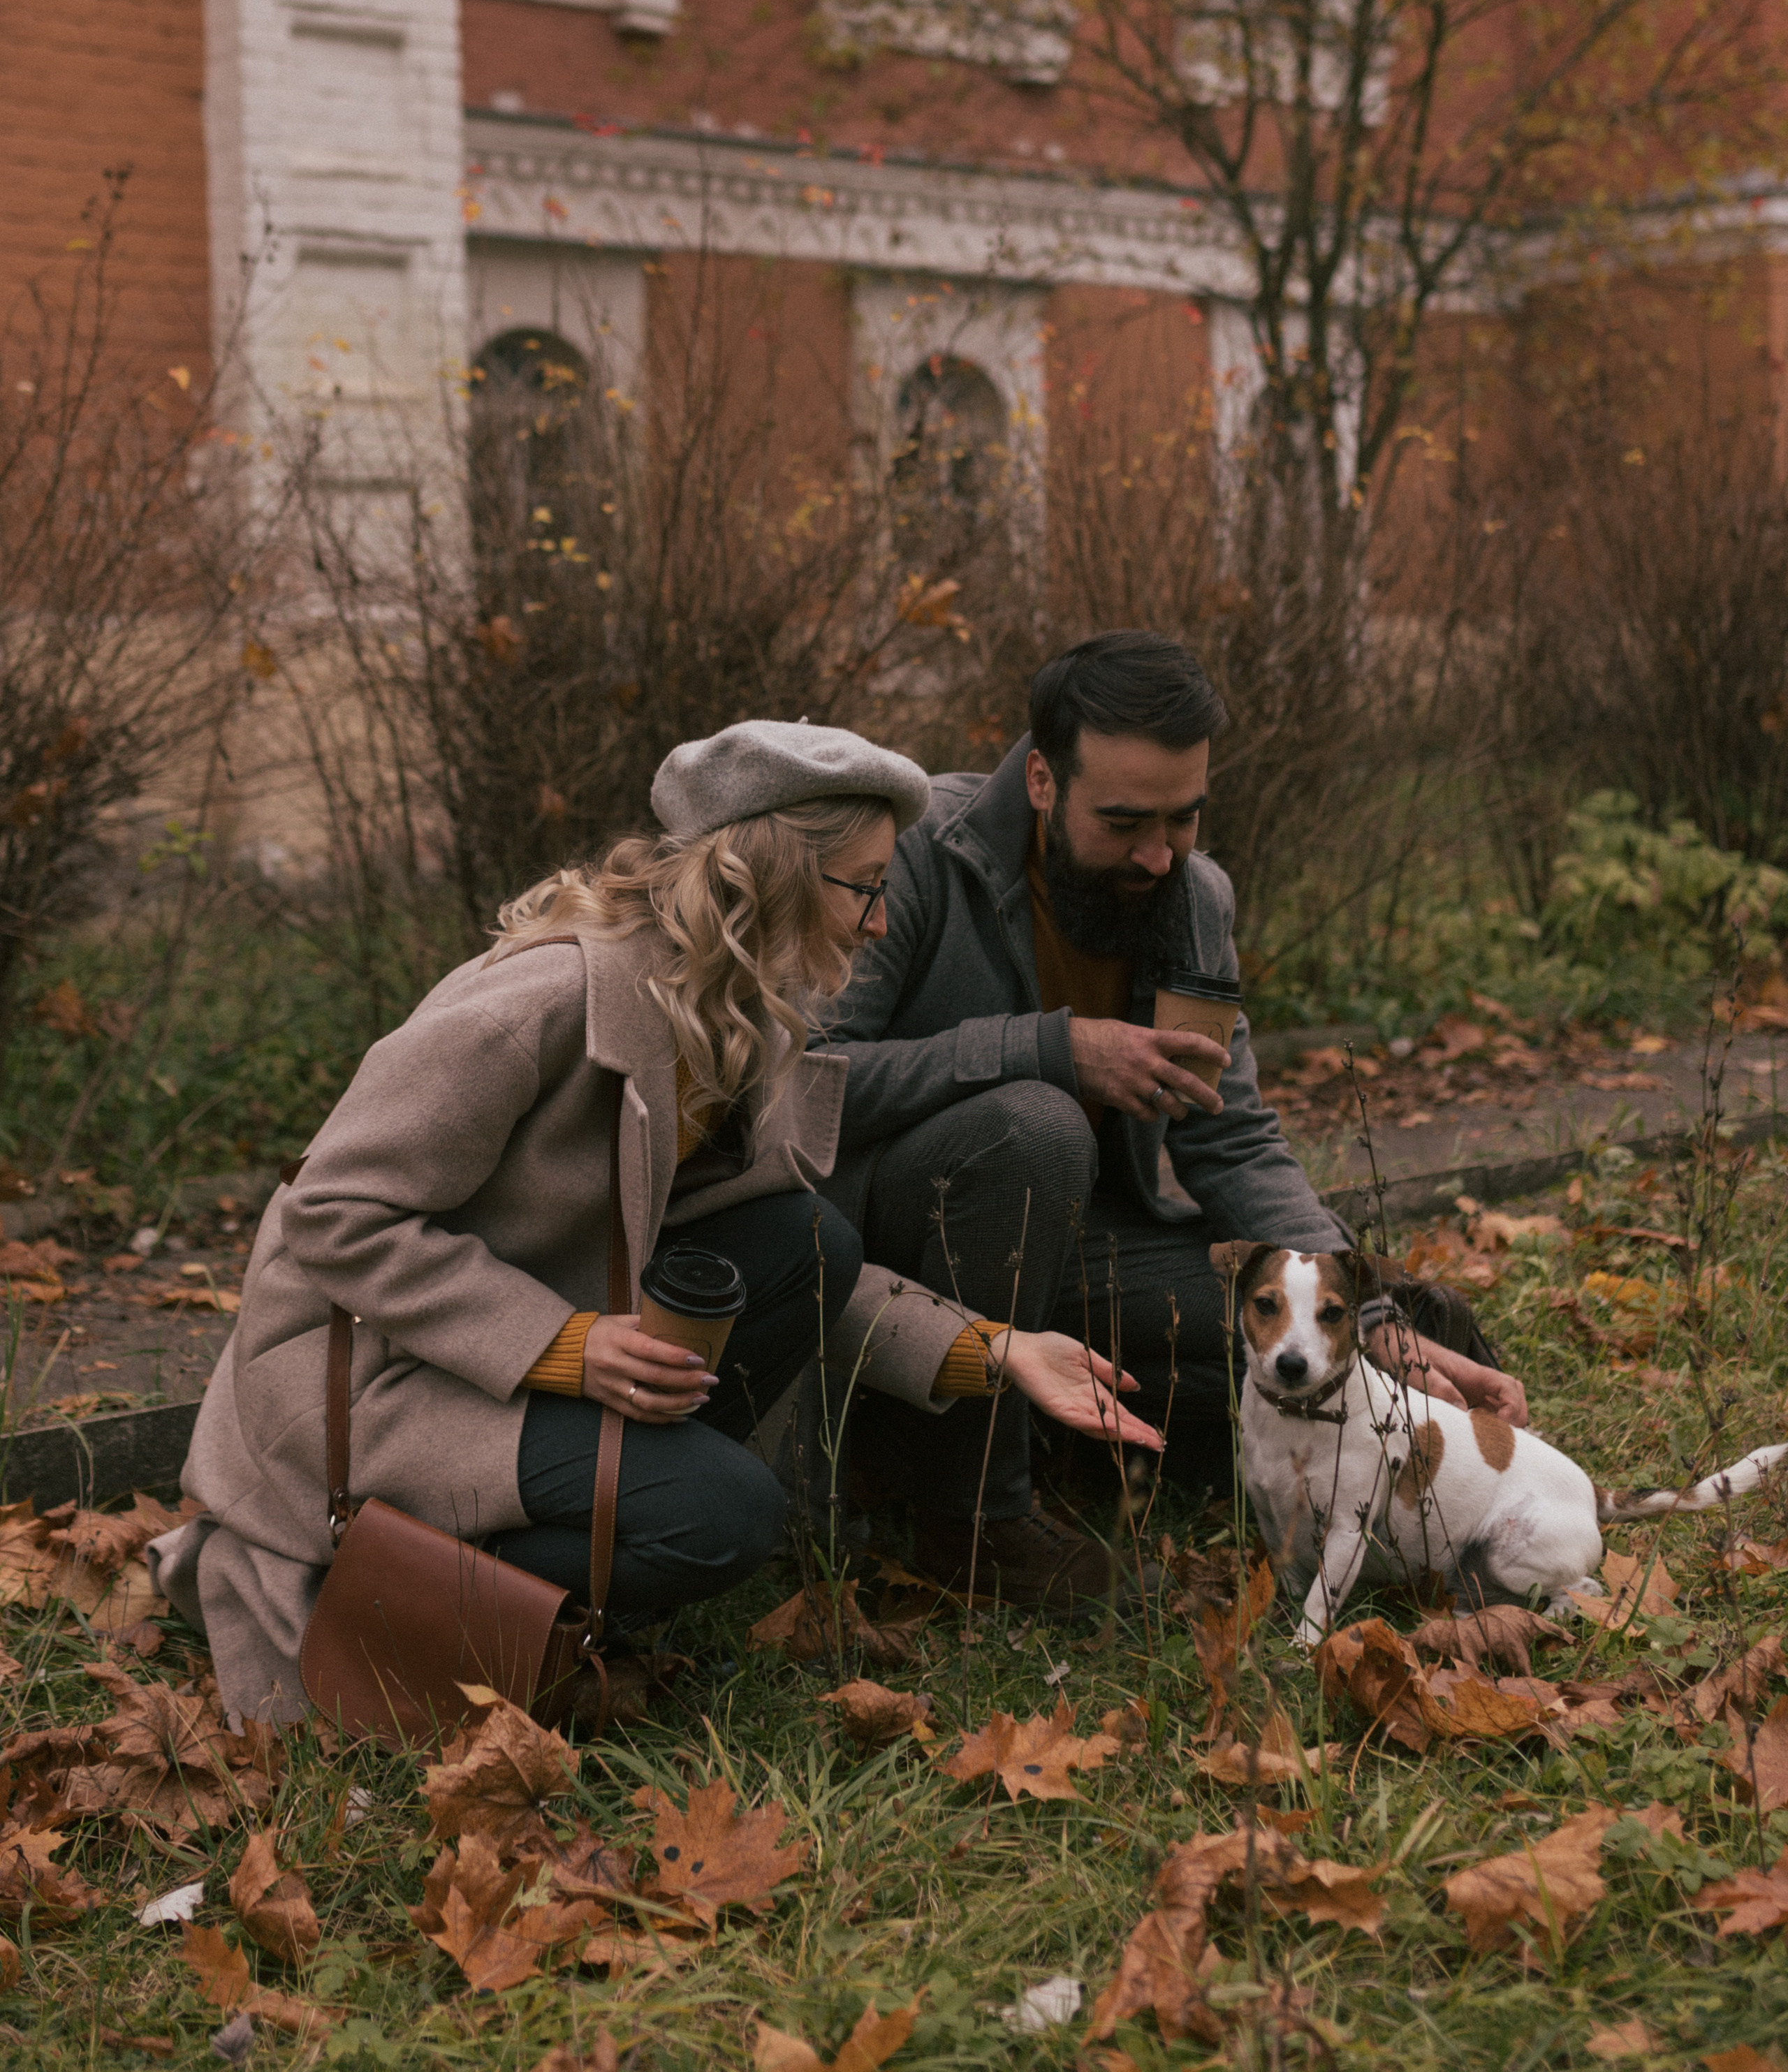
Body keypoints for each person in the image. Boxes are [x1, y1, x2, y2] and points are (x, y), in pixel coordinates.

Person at [147, 719, 1157, 1723]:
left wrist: (998, 1349)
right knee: (728, 1517)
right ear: (775, 875)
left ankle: (578, 1560)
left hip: (508, 1359)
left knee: (809, 1240)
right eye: (864, 887)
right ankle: (391, 1593)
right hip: (383, 1376)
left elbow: (805, 1267)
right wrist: (565, 1345)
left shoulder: (737, 1011)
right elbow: (332, 1211)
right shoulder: (542, 1000)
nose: (882, 923)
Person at [820, 632, 1526, 1610]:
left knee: (1371, 1326)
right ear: (1040, 780)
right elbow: (809, 1079)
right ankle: (973, 1522)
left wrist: (1371, 1323)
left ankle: (1408, 1493)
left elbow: (1229, 1135)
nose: (1158, 854)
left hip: (1085, 1256)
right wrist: (1049, 1049)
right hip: (907, 1249)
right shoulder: (912, 857)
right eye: (1123, 823)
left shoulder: (1192, 900)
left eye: (1183, 818)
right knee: (1037, 1125)